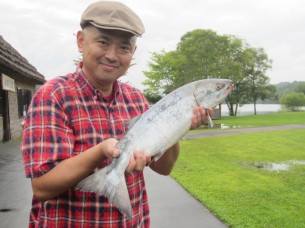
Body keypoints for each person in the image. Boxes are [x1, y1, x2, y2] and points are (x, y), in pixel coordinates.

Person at [21, 1, 210, 227]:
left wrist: (178, 126)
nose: (112, 55)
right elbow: (42, 187)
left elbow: (164, 168)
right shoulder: (53, 96)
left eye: (124, 47)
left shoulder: (136, 99)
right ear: (81, 41)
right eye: (103, 42)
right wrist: (101, 151)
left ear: (133, 52)